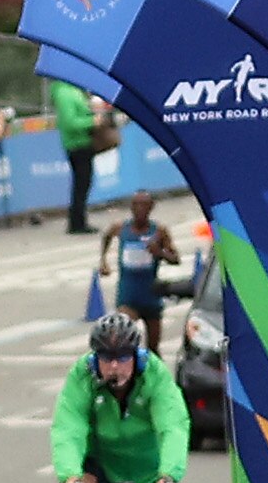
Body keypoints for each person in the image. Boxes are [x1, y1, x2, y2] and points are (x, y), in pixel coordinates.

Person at [51, 311, 189, 483]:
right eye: (106, 357)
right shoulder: (82, 375)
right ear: (96, 357)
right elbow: (68, 428)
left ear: (136, 356)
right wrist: (70, 476)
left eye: (123, 356)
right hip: (100, 464)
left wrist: (169, 474)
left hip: (148, 470)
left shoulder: (154, 374)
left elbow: (173, 425)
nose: (114, 366)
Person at [99, 190, 180, 353]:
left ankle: (154, 377)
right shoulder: (121, 228)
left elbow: (176, 259)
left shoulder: (159, 231)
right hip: (128, 296)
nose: (140, 209)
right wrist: (103, 260)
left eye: (144, 205)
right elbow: (106, 236)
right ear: (131, 207)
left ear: (151, 207)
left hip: (151, 296)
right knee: (122, 341)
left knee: (153, 349)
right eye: (136, 204)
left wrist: (160, 253)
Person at [53, 78, 97, 235]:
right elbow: (70, 122)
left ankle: (79, 219)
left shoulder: (75, 90)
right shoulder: (64, 92)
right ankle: (77, 222)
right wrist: (92, 121)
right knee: (80, 183)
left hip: (84, 142)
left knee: (84, 183)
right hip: (76, 144)